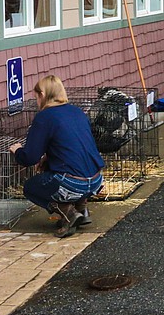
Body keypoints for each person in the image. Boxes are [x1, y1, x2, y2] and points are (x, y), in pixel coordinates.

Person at [9, 75, 105, 239]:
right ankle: (82, 209)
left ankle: (69, 213)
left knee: (31, 187)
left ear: (43, 94)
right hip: (96, 181)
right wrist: (49, 157)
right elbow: (75, 146)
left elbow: (30, 158)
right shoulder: (77, 112)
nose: (37, 101)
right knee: (62, 172)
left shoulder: (44, 117)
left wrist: (17, 150)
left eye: (37, 96)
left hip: (73, 183)